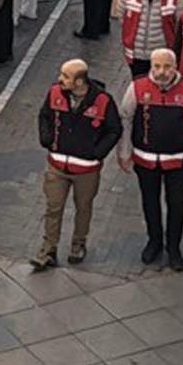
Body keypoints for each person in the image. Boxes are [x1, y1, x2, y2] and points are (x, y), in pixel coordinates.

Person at [32, 59, 120, 270]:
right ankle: (48, 249)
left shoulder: (103, 101)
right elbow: (44, 115)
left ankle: (78, 244)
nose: (60, 79)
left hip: (86, 170)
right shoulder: (54, 92)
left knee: (83, 208)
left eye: (66, 76)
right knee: (53, 208)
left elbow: (114, 130)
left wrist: (97, 153)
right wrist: (46, 138)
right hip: (57, 166)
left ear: (80, 81)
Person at [120, 47, 183, 270]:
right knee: (150, 202)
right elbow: (126, 119)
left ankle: (173, 247)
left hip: (178, 162)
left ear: (175, 67)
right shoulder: (137, 87)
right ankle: (154, 240)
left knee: (176, 205)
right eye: (157, 66)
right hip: (145, 161)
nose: (161, 71)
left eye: (166, 66)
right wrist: (125, 152)